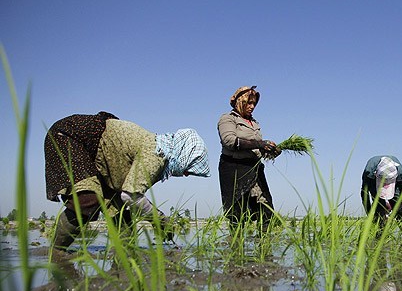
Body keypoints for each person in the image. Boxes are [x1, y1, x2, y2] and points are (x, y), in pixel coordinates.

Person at [44, 112, 210, 251]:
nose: (186, 175)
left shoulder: (158, 153)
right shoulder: (156, 153)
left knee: (121, 214)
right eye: (189, 169)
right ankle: (57, 252)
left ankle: (124, 259)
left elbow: (127, 196)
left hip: (105, 161)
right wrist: (160, 221)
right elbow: (131, 195)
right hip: (70, 138)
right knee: (87, 201)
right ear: (184, 156)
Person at [217, 86, 281, 234]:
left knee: (266, 211)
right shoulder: (227, 119)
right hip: (235, 170)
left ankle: (265, 252)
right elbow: (230, 141)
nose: (252, 106)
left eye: (254, 103)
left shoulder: (255, 123)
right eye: (248, 103)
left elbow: (256, 149)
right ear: (240, 102)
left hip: (255, 170)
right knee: (237, 215)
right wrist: (260, 144)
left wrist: (270, 150)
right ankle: (236, 252)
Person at [361, 155, 402, 223]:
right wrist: (369, 213)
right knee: (379, 206)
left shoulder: (401, 175)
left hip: (396, 179)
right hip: (373, 181)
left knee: (399, 208)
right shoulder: (368, 174)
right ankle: (380, 227)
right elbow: (364, 194)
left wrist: (398, 209)